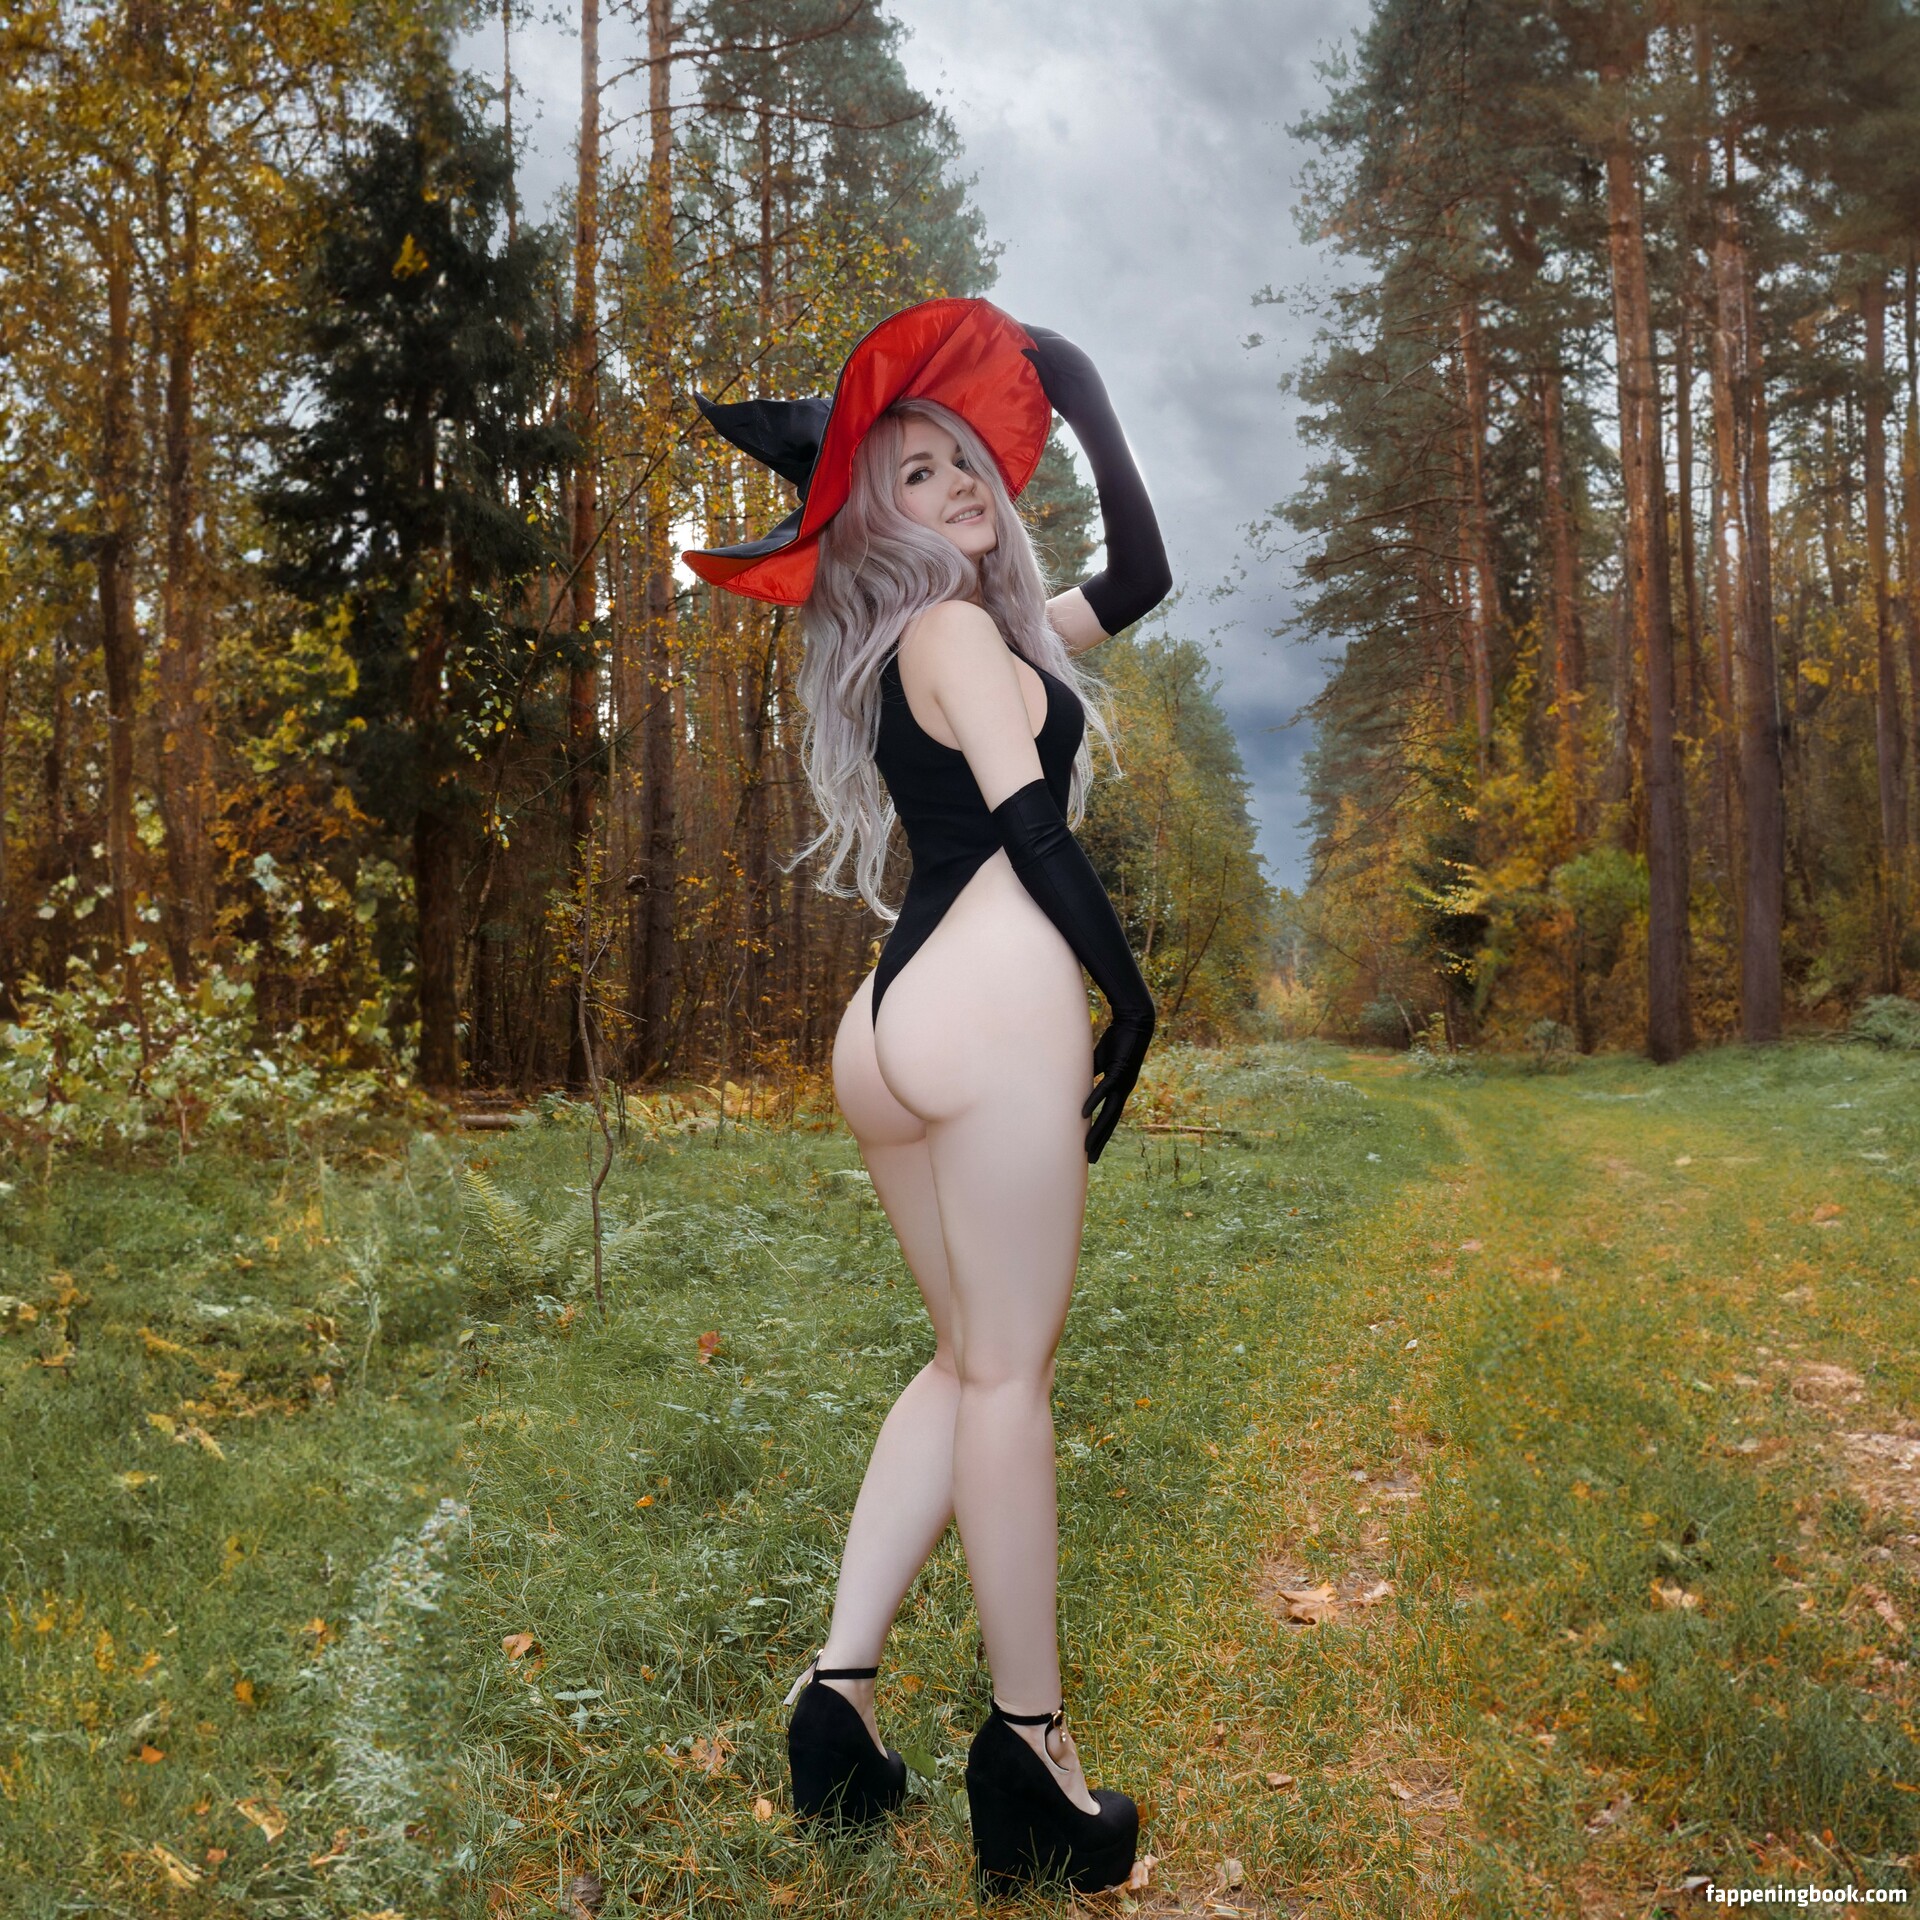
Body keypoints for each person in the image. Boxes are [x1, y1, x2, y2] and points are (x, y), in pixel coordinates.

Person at [682, 297, 1171, 1896]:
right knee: (1010, 1379)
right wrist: (1131, 994)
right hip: (993, 989)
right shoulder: (955, 635)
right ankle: (1034, 1760)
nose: (955, 482)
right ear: (869, 527)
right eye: (909, 474)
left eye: (960, 458)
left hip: (893, 1015)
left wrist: (1081, 395)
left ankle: (839, 1700)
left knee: (964, 1363)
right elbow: (1035, 835)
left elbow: (1139, 581)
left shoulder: (976, 637)